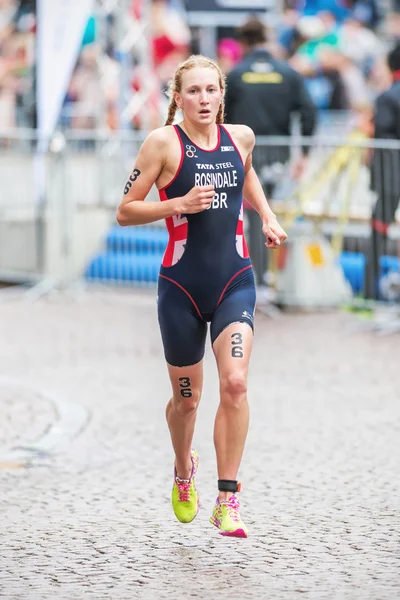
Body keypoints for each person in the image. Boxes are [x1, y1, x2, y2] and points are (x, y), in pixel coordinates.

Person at [116, 54, 287, 538]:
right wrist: (178, 204)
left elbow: (245, 171)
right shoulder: (162, 144)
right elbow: (125, 211)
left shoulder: (241, 137)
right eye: (193, 91)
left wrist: (267, 216)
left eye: (211, 90)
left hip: (235, 280)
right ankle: (182, 466)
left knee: (234, 384)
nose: (204, 100)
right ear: (178, 97)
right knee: (186, 402)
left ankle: (228, 499)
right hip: (180, 289)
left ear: (222, 95)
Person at [225, 17, 316, 289]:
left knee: (252, 216)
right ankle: (262, 280)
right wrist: (304, 153)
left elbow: (220, 115)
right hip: (278, 155)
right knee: (266, 213)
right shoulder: (288, 72)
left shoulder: (236, 74)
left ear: (243, 43)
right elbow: (309, 112)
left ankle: (255, 280)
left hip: (241, 155)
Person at [365, 43, 400, 299]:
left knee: (377, 232)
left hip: (391, 177)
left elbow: (382, 134)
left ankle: (369, 293)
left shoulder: (387, 97)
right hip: (390, 176)